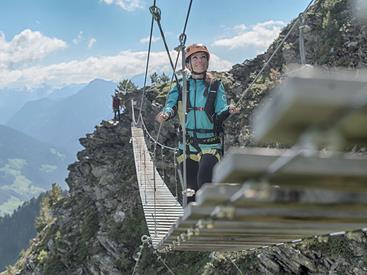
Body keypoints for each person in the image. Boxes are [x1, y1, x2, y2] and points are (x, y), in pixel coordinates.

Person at [156, 43, 240, 203]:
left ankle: (208, 220)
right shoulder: (181, 86)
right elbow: (171, 104)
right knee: (190, 193)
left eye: (203, 57)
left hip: (210, 145)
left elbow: (220, 110)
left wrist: (229, 110)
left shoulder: (215, 86)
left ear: (207, 61)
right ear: (188, 63)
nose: (199, 61)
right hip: (187, 147)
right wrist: (166, 113)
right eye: (195, 58)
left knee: (204, 181)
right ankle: (191, 225)